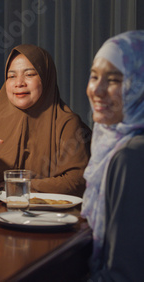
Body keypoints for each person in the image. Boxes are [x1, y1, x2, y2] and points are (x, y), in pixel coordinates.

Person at [0, 44, 91, 196]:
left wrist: (17, 185)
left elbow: (77, 182)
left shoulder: (67, 123)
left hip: (50, 217)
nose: (19, 83)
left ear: (46, 78)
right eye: (11, 76)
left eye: (30, 74)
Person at [82, 30, 144, 281]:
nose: (97, 89)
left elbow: (124, 274)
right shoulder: (114, 140)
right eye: (94, 76)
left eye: (115, 79)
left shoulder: (130, 156)